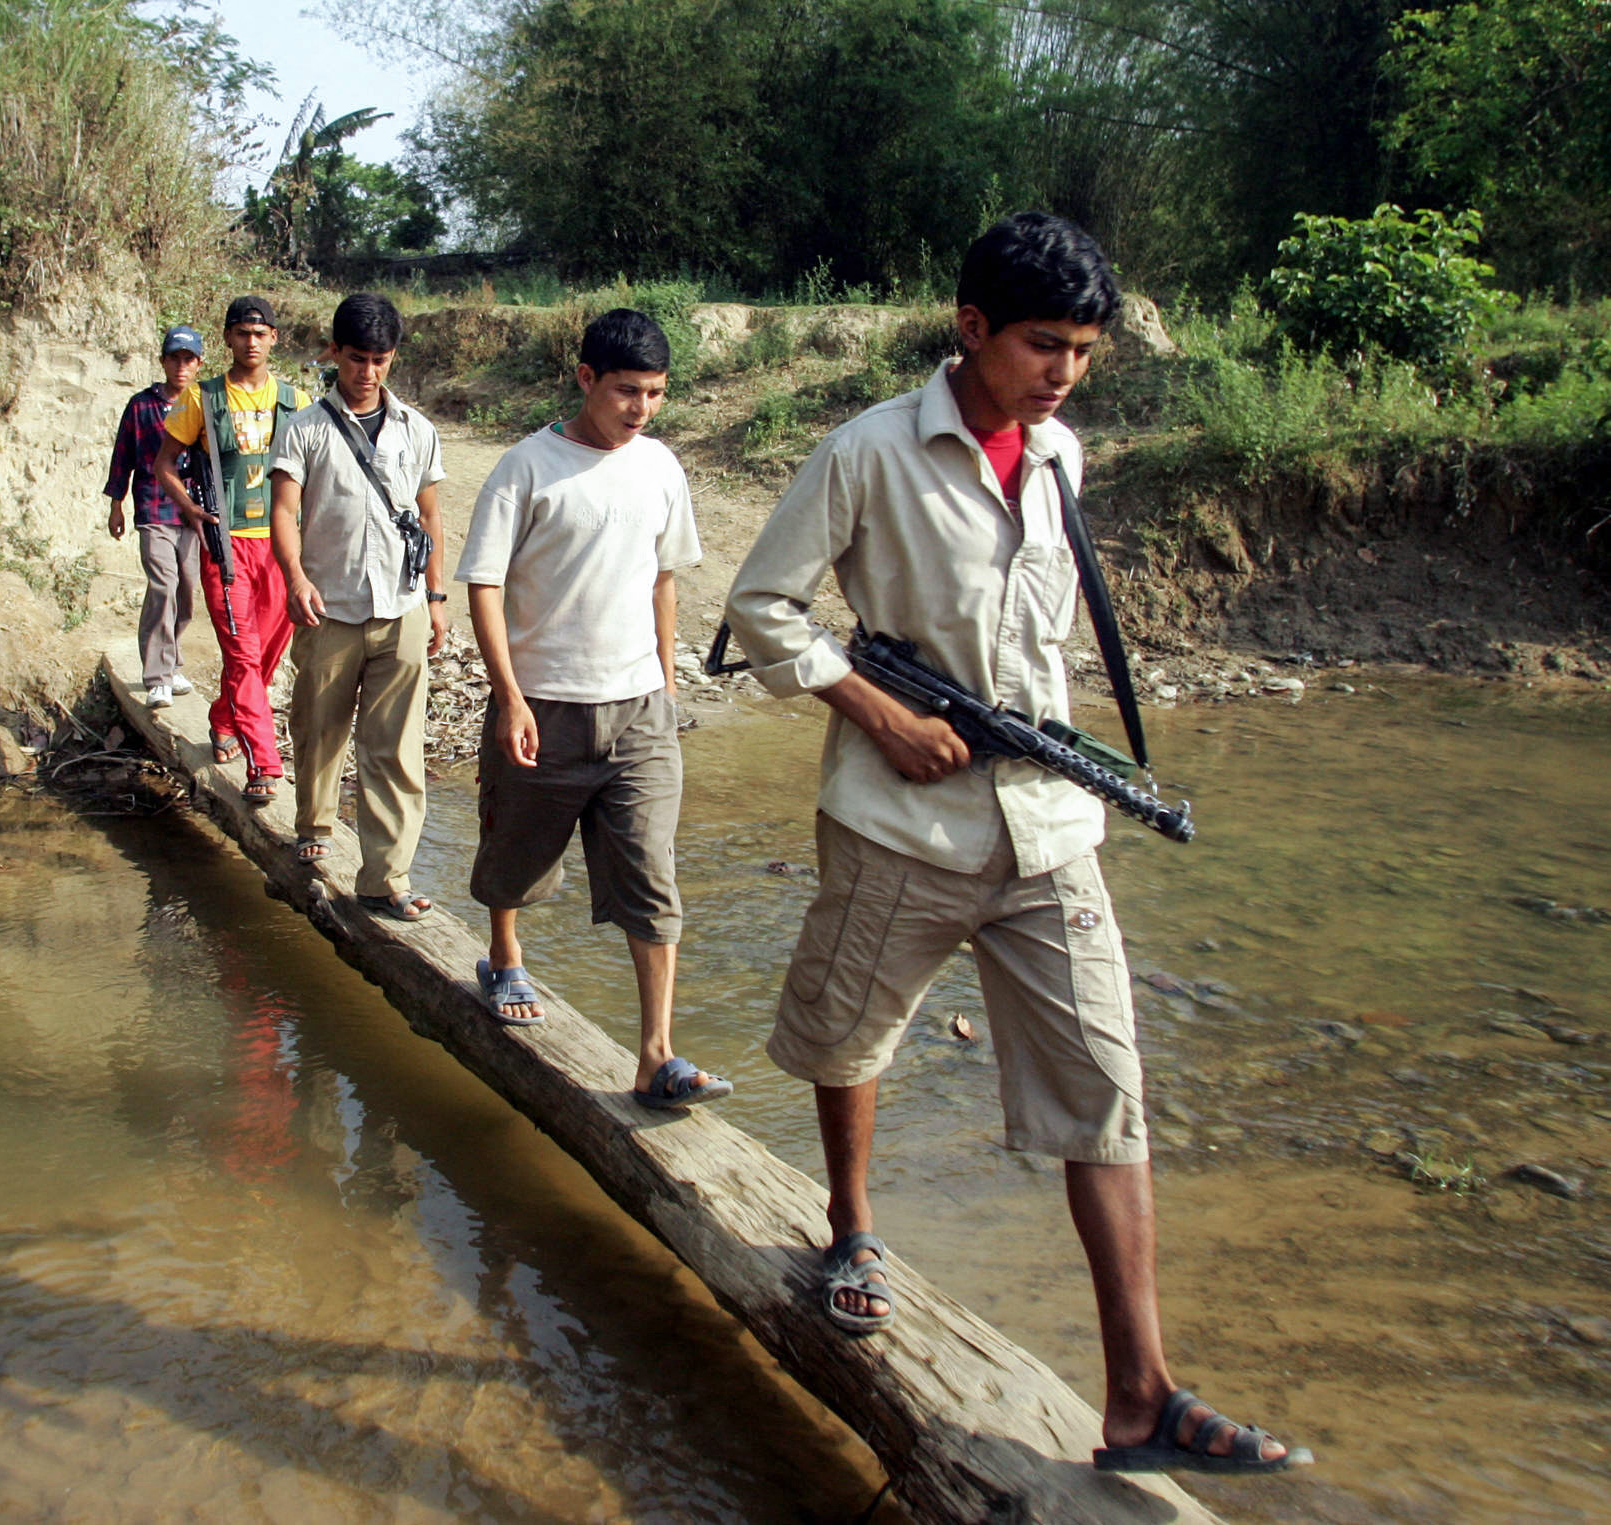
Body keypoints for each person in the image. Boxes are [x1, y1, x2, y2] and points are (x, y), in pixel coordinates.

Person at [722, 212, 1312, 1475]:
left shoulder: (1060, 460)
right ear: (971, 325)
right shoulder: (865, 453)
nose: (1063, 372)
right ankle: (851, 1228)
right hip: (899, 818)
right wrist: (875, 710)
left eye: (1084, 352)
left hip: (1046, 825)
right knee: (849, 1032)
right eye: (1044, 344)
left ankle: (1139, 1394)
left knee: (1105, 1089)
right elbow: (760, 609)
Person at [454, 308, 732, 1110]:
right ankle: (504, 955)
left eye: (654, 393)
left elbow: (664, 576)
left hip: (640, 707)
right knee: (516, 849)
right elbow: (485, 582)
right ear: (585, 380)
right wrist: (508, 697)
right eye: (625, 391)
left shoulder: (661, 468)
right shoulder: (527, 467)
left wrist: (668, 682)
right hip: (544, 704)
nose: (640, 408)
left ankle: (657, 1057)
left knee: (651, 873)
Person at [267, 292, 450, 919]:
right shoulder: (304, 429)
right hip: (329, 608)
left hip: (401, 607)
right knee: (319, 731)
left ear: (392, 358)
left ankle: (385, 877)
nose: (366, 372)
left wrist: (438, 597)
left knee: (395, 747)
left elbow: (430, 517)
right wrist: (294, 577)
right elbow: (285, 511)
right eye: (355, 359)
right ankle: (315, 830)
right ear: (334, 354)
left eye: (378, 360)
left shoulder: (417, 430)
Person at [153, 296, 310, 803]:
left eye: (260, 334)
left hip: (285, 550)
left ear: (274, 339)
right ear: (227, 339)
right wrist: (192, 511)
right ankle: (264, 764)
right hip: (227, 548)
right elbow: (164, 466)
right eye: (242, 333)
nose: (251, 342)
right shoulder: (202, 398)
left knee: (264, 655)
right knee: (243, 656)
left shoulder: (298, 401)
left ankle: (224, 716)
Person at [105, 324, 206, 708]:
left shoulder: (202, 403)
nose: (181, 366)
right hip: (153, 506)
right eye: (174, 359)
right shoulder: (141, 405)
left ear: (198, 364)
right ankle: (157, 675)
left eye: (188, 359)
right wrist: (117, 503)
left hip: (192, 512)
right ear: (163, 361)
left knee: (186, 590)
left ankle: (172, 659)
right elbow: (122, 456)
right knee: (163, 585)